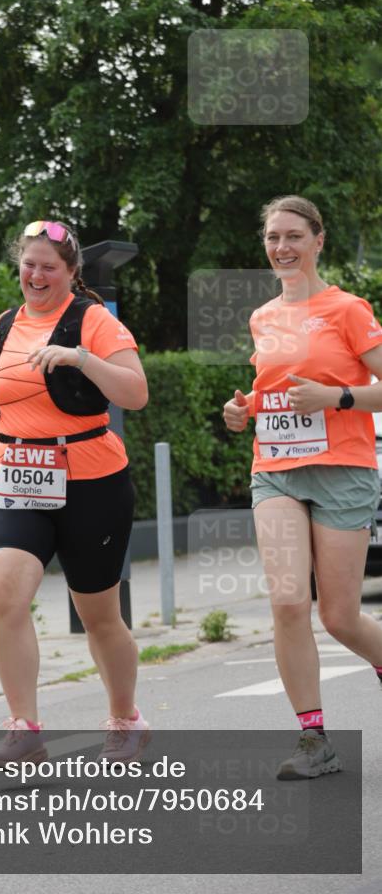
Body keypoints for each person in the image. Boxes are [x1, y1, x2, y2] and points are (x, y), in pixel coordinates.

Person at [0, 220, 149, 765]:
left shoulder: (92, 321)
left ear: (72, 273)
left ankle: (126, 718)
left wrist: (80, 358)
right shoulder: (7, 323)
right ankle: (24, 729)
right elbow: (7, 398)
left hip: (91, 479)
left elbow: (135, 393)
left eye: (49, 266)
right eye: (29, 263)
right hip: (18, 473)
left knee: (99, 615)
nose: (36, 274)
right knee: (4, 592)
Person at [223, 195, 382, 780]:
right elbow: (270, 390)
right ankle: (314, 739)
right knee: (289, 602)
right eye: (272, 238)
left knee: (339, 616)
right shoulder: (263, 316)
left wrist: (337, 396)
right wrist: (242, 410)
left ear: (319, 240)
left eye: (293, 236)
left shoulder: (347, 309)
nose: (281, 247)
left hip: (343, 469)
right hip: (277, 469)